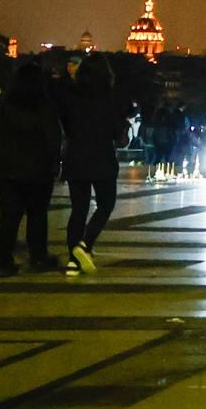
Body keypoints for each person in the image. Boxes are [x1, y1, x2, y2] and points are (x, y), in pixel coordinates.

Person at [0, 62, 62, 276]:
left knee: (9, 216)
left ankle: (3, 262)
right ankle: (38, 256)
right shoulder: (44, 106)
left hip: (4, 171)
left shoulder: (2, 106)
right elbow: (52, 138)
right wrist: (55, 163)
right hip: (37, 170)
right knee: (37, 215)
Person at [57, 54, 122, 276]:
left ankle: (73, 261)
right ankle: (85, 245)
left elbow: (66, 126)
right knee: (106, 204)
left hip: (76, 156)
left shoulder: (70, 96)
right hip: (102, 156)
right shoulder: (111, 97)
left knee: (78, 210)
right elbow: (117, 133)